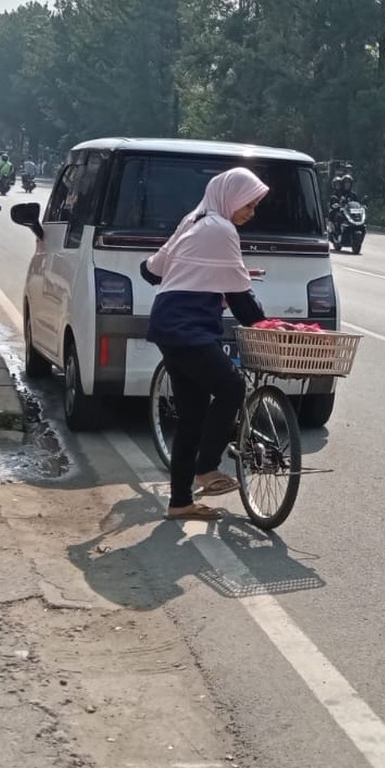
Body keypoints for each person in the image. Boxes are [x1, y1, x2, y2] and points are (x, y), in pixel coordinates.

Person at [138, 167, 269, 522]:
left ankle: (180, 502)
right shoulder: (221, 230)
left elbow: (151, 271)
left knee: (193, 415)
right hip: (188, 327)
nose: (250, 213)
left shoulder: (194, 220)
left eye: (255, 206)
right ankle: (207, 468)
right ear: (230, 197)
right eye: (248, 204)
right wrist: (265, 326)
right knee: (231, 386)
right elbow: (241, 300)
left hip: (170, 323)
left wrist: (201, 269)